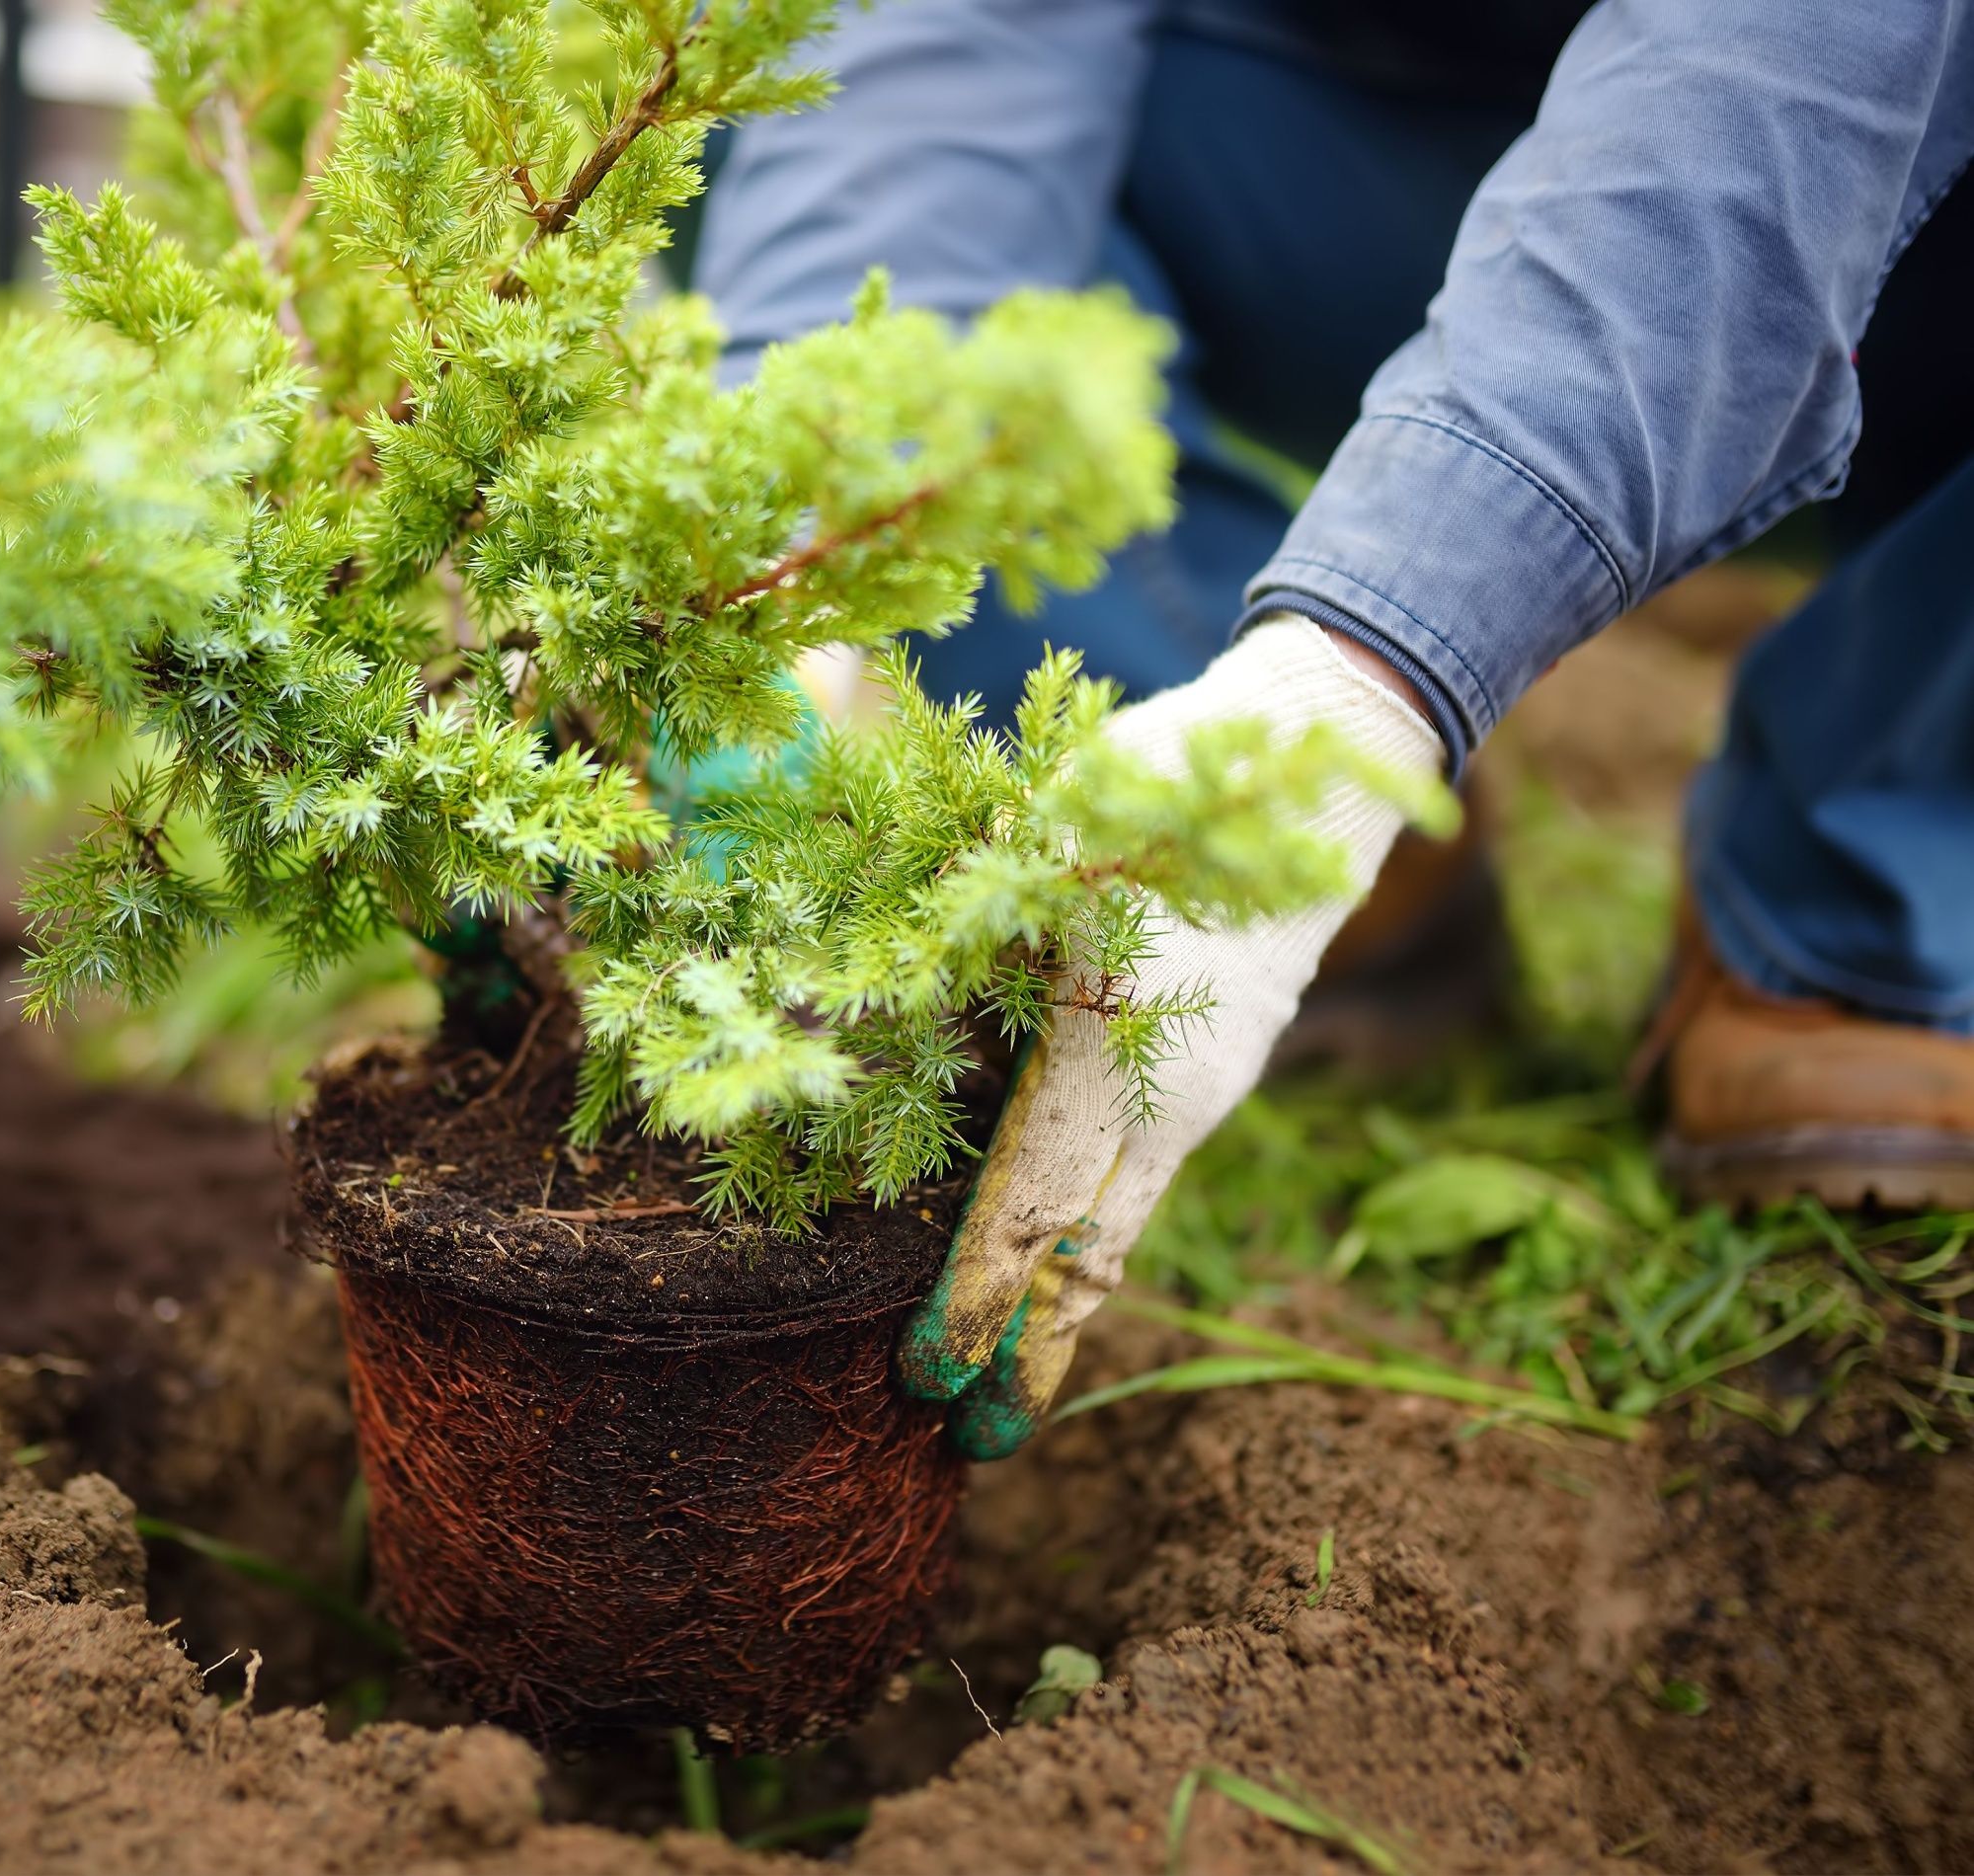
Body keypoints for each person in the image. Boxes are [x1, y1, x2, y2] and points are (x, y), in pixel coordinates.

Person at [690, 0, 1974, 1459]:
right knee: (753, 93)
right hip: (1353, 113)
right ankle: (1215, 815)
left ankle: (1880, 876)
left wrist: (1364, 684)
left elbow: (1782, 80)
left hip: (1873, 201)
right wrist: (802, 514)